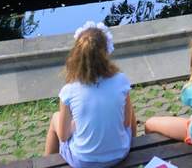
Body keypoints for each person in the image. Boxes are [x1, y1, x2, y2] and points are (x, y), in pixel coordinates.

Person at [45, 23, 134, 166]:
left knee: (56, 118)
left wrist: (75, 126)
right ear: (106, 53)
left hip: (84, 161)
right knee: (127, 106)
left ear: (76, 56)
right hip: (119, 154)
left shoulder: (69, 90)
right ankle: (133, 146)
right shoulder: (121, 80)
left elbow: (63, 136)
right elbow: (126, 122)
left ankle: (46, 162)